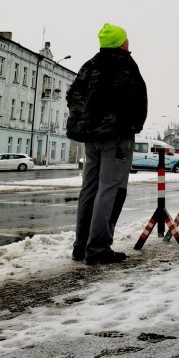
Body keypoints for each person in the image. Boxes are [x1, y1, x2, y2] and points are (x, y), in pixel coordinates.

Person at [67, 23, 147, 265]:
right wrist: (131, 124)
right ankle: (99, 247)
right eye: (127, 39)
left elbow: (73, 96)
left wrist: (88, 123)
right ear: (121, 43)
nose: (129, 43)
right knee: (111, 188)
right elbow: (137, 99)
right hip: (118, 139)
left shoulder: (89, 65)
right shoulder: (125, 65)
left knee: (89, 188)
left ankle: (81, 246)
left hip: (91, 139)